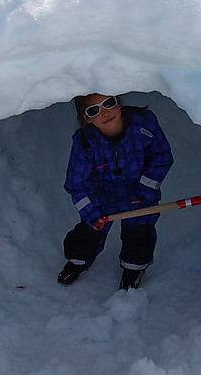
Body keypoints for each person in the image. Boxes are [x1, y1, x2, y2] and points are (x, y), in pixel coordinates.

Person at [59, 94, 173, 290]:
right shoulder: (85, 141)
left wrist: (144, 189)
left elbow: (161, 157)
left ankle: (133, 268)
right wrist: (91, 213)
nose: (105, 112)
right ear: (86, 118)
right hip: (102, 193)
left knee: (139, 232)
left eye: (109, 103)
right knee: (89, 232)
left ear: (118, 101)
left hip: (140, 191)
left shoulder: (143, 124)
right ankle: (78, 260)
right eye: (94, 110)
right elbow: (76, 183)